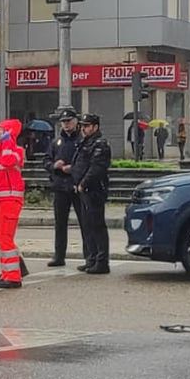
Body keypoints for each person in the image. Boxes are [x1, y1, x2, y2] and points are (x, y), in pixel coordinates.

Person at [0, 119, 27, 289]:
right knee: (1, 238)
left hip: (10, 199)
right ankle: (7, 273)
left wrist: (7, 140)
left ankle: (13, 277)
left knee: (5, 238)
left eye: (0, 130)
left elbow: (8, 161)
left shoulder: (16, 150)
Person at [71, 114, 112, 275]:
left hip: (94, 190)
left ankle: (101, 262)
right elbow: (79, 163)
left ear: (95, 127)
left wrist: (83, 183)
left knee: (97, 226)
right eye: (82, 126)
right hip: (83, 190)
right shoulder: (86, 142)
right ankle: (91, 259)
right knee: (87, 226)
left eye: (87, 126)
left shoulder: (100, 144)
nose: (83, 129)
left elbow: (97, 168)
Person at [44, 108, 81, 267]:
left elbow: (86, 162)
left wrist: (73, 169)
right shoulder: (56, 142)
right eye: (63, 122)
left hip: (76, 186)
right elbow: (46, 161)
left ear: (75, 121)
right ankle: (59, 256)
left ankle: (89, 256)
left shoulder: (81, 140)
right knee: (60, 224)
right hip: (60, 186)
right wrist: (54, 166)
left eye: (69, 121)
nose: (66, 124)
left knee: (85, 223)